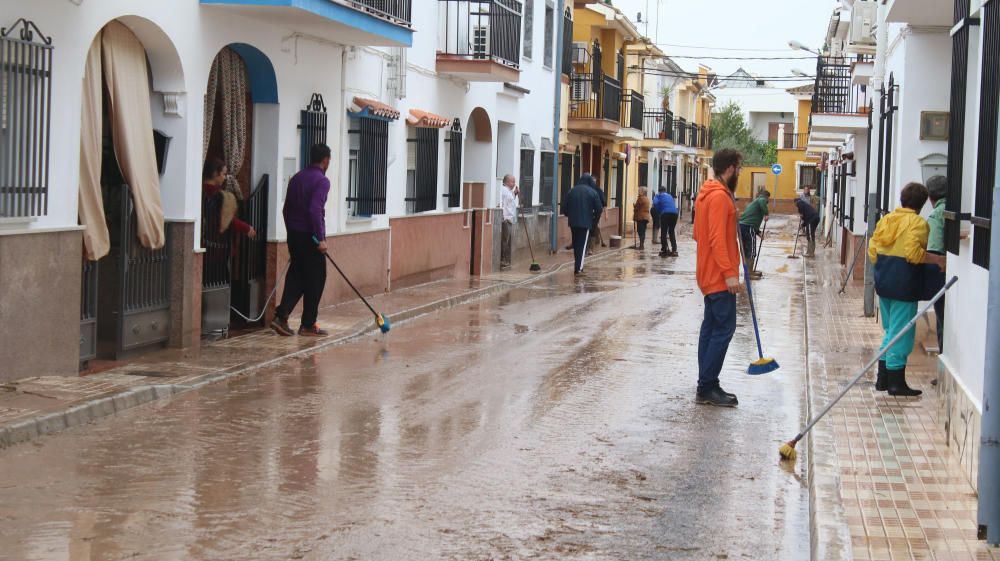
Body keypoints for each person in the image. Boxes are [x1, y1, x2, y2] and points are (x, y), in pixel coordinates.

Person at [868, 182, 946, 396]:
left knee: (891, 330)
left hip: (883, 281)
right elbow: (913, 254)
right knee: (902, 334)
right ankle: (895, 383)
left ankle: (882, 379)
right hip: (903, 284)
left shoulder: (887, 219)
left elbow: (873, 251)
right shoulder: (917, 223)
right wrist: (938, 259)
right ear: (922, 204)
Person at [693, 148, 744, 407]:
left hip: (707, 272)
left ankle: (706, 382)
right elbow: (715, 239)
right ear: (730, 168)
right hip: (718, 276)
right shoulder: (719, 198)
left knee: (711, 327)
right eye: (739, 168)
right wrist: (729, 274)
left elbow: (697, 235)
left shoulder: (705, 195)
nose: (740, 173)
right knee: (724, 328)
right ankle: (707, 385)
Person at [271, 143, 332, 337]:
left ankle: (281, 316)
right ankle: (308, 324)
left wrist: (292, 232)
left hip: (294, 235)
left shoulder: (296, 178)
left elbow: (286, 209)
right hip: (310, 237)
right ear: (325, 161)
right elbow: (315, 210)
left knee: (297, 276)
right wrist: (320, 239)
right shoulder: (322, 181)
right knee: (316, 278)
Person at [202, 158, 257, 241]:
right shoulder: (217, 195)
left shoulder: (199, 191)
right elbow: (226, 220)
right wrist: (246, 228)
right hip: (217, 244)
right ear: (215, 174)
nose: (225, 178)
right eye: (223, 174)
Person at [925, 175, 949, 353]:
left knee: (942, 319)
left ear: (930, 197)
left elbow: (934, 249)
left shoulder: (935, 215)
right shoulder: (952, 209)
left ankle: (943, 357)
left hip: (941, 273)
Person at [562, 173, 604, 275]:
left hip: (573, 223)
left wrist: (571, 215)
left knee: (576, 245)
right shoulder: (592, 192)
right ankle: (579, 269)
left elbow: (564, 208)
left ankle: (577, 266)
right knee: (582, 245)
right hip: (585, 224)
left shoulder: (571, 191)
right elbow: (599, 209)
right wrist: (593, 220)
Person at [738, 189, 770, 279]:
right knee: (751, 251)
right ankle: (749, 273)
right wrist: (766, 214)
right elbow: (762, 201)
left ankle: (749, 271)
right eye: (768, 199)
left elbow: (753, 220)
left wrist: (759, 233)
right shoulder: (761, 199)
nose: (767, 201)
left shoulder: (754, 203)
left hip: (742, 227)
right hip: (748, 227)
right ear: (766, 197)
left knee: (746, 250)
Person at [499, 174, 520, 270]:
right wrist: (504, 218)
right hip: (506, 219)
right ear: (507, 182)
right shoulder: (504, 190)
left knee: (507, 242)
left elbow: (510, 200)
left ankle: (505, 261)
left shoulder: (508, 191)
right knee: (504, 241)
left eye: (514, 181)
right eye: (512, 181)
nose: (514, 183)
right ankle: (502, 260)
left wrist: (515, 193)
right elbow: (504, 203)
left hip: (510, 220)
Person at [653, 187, 679, 257]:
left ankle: (664, 250)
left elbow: (655, 204)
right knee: (671, 231)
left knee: (663, 232)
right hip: (675, 214)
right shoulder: (669, 196)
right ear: (665, 191)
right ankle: (674, 250)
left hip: (665, 214)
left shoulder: (658, 195)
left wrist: (659, 211)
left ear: (659, 191)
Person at [795, 191, 821, 258]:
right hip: (814, 218)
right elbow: (806, 220)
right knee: (810, 233)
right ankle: (809, 251)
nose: (796, 206)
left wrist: (801, 213)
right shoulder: (805, 206)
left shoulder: (799, 203)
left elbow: (800, 207)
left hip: (812, 219)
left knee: (809, 234)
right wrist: (802, 225)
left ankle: (811, 252)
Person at [588, 179, 607, 250]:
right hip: (588, 212)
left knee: (594, 227)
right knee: (594, 227)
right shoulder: (587, 189)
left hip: (597, 212)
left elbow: (604, 202)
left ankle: (591, 247)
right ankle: (597, 241)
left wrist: (606, 213)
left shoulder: (598, 190)